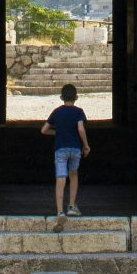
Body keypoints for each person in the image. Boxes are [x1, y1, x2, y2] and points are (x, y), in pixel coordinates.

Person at [41, 82, 90, 217]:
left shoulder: (57, 112)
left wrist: (58, 132)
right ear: (77, 97)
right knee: (73, 174)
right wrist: (86, 144)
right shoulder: (79, 112)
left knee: (60, 178)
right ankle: (71, 206)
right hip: (75, 149)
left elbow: (44, 130)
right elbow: (80, 128)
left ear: (61, 97)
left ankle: (60, 212)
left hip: (60, 149)